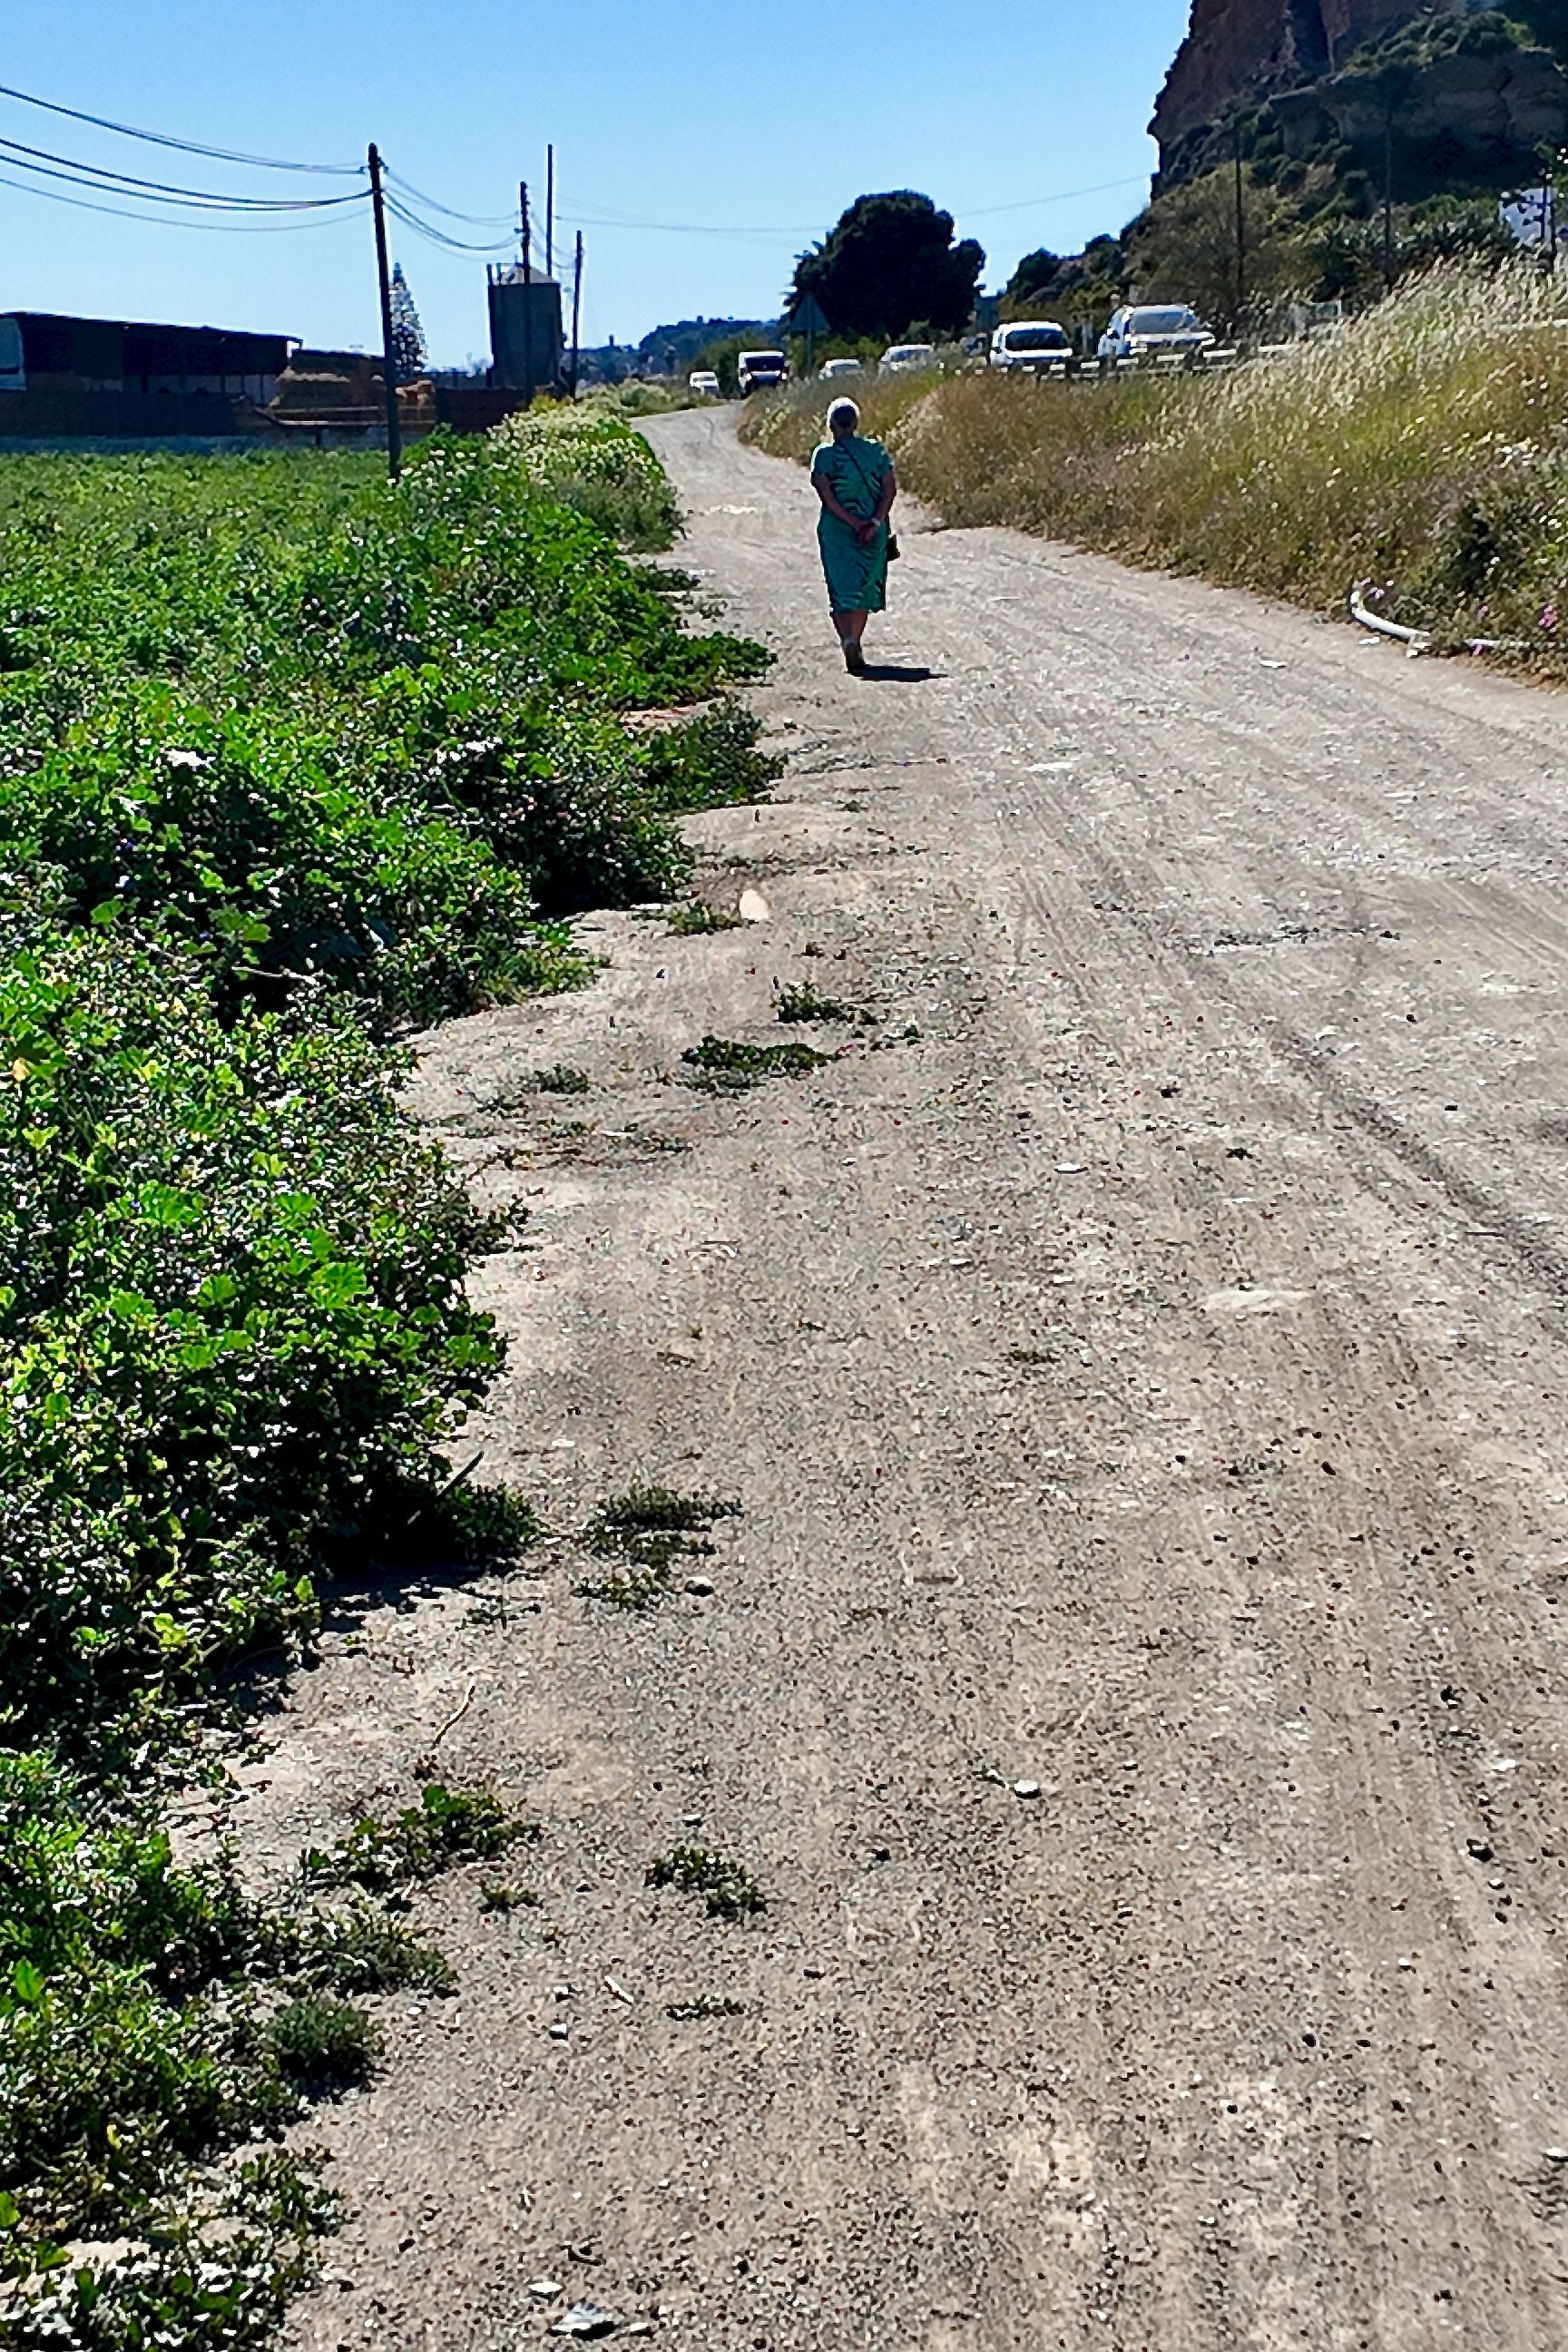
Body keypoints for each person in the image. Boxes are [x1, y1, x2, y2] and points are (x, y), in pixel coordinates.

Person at [810, 397, 897, 674]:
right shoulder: (875, 452)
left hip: (837, 530)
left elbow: (826, 494)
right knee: (863, 586)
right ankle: (855, 639)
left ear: (831, 425)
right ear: (856, 423)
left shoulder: (824, 455)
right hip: (873, 532)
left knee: (839, 586)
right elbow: (890, 489)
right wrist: (872, 521)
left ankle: (846, 639)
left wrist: (851, 521)